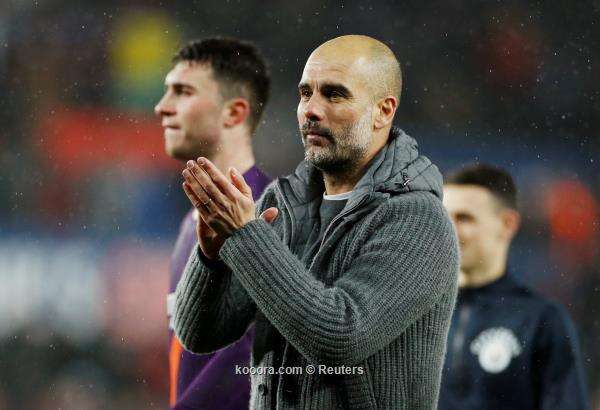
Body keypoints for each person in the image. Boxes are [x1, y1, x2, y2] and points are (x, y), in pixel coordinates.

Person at [173, 34, 459, 409]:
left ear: (383, 111)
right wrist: (210, 259)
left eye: (334, 95)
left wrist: (246, 236)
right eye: (306, 93)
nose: (311, 109)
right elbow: (200, 336)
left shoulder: (417, 220)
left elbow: (339, 336)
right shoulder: (282, 204)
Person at [154, 37, 272, 409]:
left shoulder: (269, 213)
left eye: (183, 92)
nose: (162, 107)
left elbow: (254, 364)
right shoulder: (191, 221)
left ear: (233, 113)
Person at [439, 163, 589, 409]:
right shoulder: (414, 314)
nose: (450, 230)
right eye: (444, 217)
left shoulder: (540, 320)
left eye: (465, 218)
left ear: (507, 224)